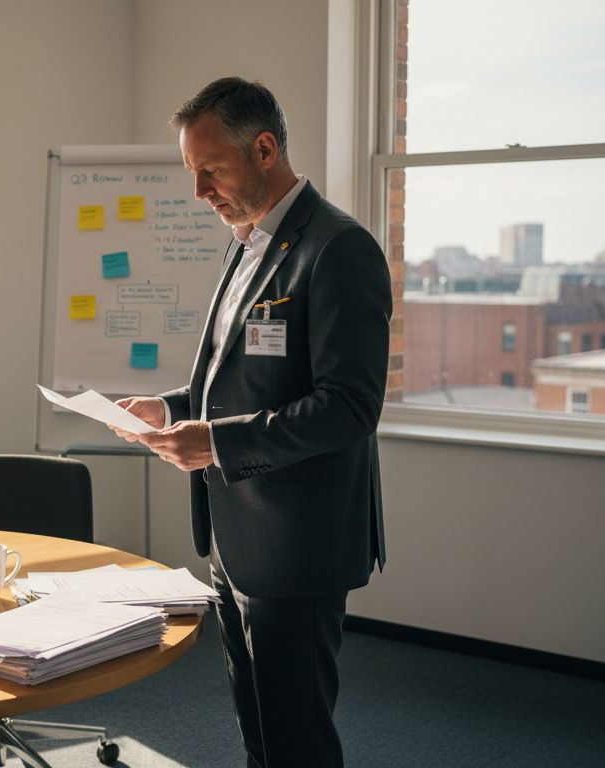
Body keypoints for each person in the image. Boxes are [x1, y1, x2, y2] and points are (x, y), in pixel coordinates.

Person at [111, 77, 391, 768]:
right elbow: (240, 376)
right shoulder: (246, 243)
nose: (199, 192)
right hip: (236, 536)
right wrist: (174, 408)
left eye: (212, 170)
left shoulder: (338, 248)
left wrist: (218, 442)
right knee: (259, 730)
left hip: (298, 543)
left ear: (265, 149)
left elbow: (350, 406)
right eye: (193, 173)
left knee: (296, 738)